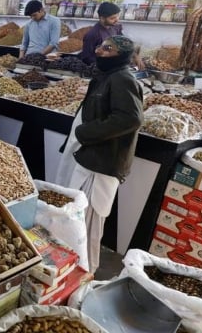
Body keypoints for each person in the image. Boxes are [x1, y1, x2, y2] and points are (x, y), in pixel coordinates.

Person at [54, 35, 144, 274]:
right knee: (76, 221)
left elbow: (130, 118)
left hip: (102, 164)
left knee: (89, 226)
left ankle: (86, 273)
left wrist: (85, 133)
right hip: (89, 158)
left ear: (121, 55)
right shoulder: (107, 76)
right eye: (101, 46)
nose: (99, 51)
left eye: (107, 48)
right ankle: (72, 270)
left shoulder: (123, 78)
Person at [80, 2, 144, 68]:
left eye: (117, 16)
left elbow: (124, 44)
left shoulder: (116, 27)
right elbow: (86, 58)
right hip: (102, 68)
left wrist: (135, 55)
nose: (116, 20)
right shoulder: (93, 34)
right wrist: (108, 65)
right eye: (112, 18)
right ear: (102, 18)